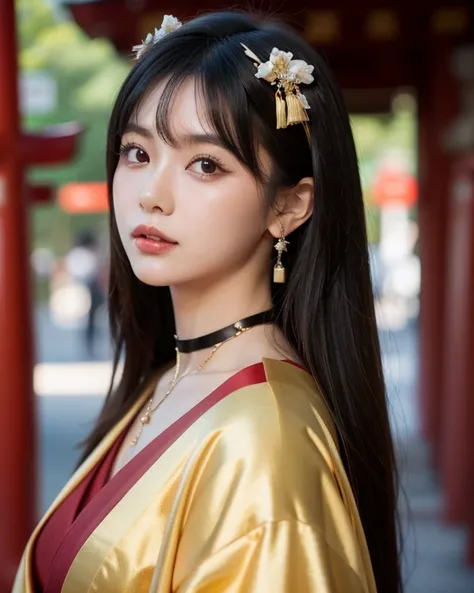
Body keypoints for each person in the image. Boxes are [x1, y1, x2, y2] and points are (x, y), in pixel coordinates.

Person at [13, 11, 401, 593]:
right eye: (137, 153)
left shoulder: (264, 443)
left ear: (288, 207)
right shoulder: (170, 376)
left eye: (204, 164)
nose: (151, 195)